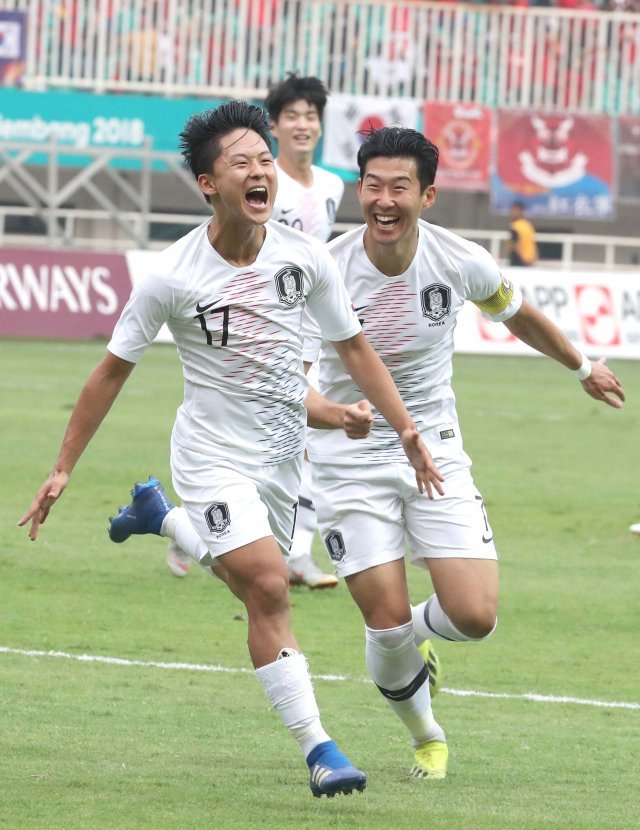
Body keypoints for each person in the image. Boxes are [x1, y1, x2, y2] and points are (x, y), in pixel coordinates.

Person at [18, 102, 445, 798]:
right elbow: (111, 371)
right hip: (211, 454)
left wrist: (404, 429)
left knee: (248, 577)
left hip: (282, 460)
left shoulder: (303, 260)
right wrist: (63, 466)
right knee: (270, 588)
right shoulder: (171, 275)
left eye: (264, 160)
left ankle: (159, 516)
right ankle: (321, 750)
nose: (259, 172)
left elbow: (354, 348)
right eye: (240, 162)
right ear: (207, 184)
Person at [300, 127, 625, 781]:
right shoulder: (323, 269)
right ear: (358, 191)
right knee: (383, 622)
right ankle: (427, 735)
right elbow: (293, 374)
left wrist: (582, 364)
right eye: (372, 186)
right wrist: (337, 414)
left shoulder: (459, 260)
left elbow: (519, 313)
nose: (384, 201)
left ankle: (418, 638)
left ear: (429, 195)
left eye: (399, 188)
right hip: (347, 454)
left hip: (437, 451)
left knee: (475, 616)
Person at [168, 73, 345, 588]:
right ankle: (289, 552)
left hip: (312, 319)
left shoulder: (332, 185)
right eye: (293, 116)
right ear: (274, 126)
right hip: (263, 321)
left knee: (298, 434)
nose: (303, 125)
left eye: (311, 116)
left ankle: (201, 528)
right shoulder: (258, 181)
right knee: (294, 430)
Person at [507, 200, 538, 267]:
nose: (512, 213)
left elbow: (514, 245)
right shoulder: (528, 225)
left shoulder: (515, 226)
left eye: (514, 211)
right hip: (529, 261)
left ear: (521, 212)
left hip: (519, 261)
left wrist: (522, 259)